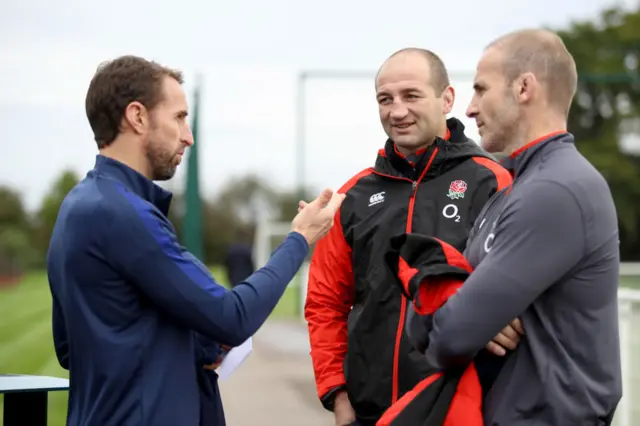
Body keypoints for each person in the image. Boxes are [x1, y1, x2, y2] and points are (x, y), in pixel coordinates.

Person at [46, 55, 345, 426]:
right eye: (179, 117)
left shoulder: (78, 205)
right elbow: (233, 317)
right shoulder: (123, 214)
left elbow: (73, 347)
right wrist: (300, 238)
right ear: (137, 117)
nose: (188, 136)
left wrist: (198, 345)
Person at [421, 29, 622, 424]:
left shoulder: (556, 189)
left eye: (481, 89)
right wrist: (468, 314)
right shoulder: (519, 184)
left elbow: (450, 336)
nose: (470, 108)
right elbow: (443, 317)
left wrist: (465, 317)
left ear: (524, 87)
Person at [303, 48, 513, 426]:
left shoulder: (492, 181)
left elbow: (517, 290)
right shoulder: (353, 195)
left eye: (411, 95)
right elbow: (325, 301)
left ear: (447, 98)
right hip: (370, 412)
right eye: (385, 99)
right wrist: (337, 392)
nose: (396, 111)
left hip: (459, 409)